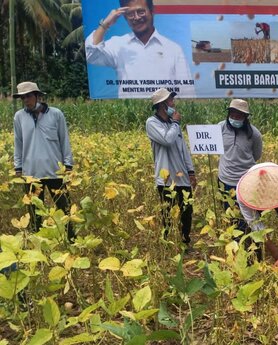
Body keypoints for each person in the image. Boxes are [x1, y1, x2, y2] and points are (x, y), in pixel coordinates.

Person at [85, 0, 194, 98]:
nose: (136, 17)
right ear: (125, 17)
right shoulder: (118, 44)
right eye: (130, 14)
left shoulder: (173, 48)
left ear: (152, 11)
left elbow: (187, 91)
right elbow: (91, 55)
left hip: (164, 115)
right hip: (130, 114)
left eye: (141, 11)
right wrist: (106, 24)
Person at [13, 82, 75, 241]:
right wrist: (18, 167)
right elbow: (18, 142)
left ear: (37, 95)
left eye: (28, 96)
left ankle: (71, 240)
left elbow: (64, 140)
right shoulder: (19, 116)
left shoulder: (56, 114)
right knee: (34, 212)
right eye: (22, 97)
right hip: (31, 174)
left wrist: (68, 165)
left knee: (65, 209)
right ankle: (36, 245)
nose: (26, 100)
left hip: (55, 171)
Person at [146, 88, 196, 249]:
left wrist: (191, 171)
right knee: (167, 213)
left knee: (186, 212)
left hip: (182, 177)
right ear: (161, 104)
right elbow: (167, 139)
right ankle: (168, 243)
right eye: (170, 101)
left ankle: (185, 242)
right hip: (166, 178)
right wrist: (175, 123)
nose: (173, 104)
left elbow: (184, 150)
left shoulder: (174, 125)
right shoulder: (152, 123)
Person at [236, 162, 278, 269]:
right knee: (251, 233)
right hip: (253, 195)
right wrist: (274, 250)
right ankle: (255, 264)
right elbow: (255, 224)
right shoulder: (243, 193)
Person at [217, 99, 263, 230]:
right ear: (228, 114)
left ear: (245, 117)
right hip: (225, 180)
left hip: (246, 182)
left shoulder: (254, 134)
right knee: (230, 215)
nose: (235, 118)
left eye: (239, 115)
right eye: (232, 114)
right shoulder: (219, 128)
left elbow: (256, 155)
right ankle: (236, 243)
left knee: (249, 217)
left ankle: (250, 242)